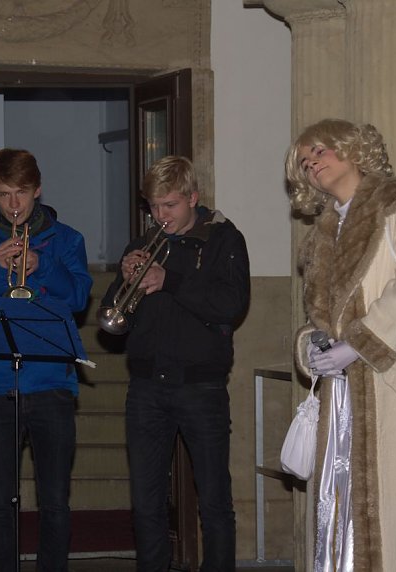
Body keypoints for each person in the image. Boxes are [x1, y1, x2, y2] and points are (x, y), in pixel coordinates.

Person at [285, 119, 396, 570]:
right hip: (343, 395)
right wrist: (313, 348)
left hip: (395, 381)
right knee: (340, 503)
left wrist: (360, 345)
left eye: (320, 152)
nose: (313, 165)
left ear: (352, 149)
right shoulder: (325, 231)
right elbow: (321, 317)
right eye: (305, 163)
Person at [101, 155, 249, 572]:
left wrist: (170, 280)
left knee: (214, 498)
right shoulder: (141, 244)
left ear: (192, 198)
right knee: (146, 499)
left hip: (201, 386)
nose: (160, 215)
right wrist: (125, 281)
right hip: (146, 387)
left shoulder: (224, 239)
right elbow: (115, 317)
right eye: (153, 206)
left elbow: (231, 305)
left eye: (170, 206)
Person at [0, 148, 92, 571]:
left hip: (52, 386)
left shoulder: (66, 240)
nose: (14, 205)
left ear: (38, 190)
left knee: (54, 501)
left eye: (21, 193)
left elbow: (79, 298)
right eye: (3, 195)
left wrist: (42, 265)